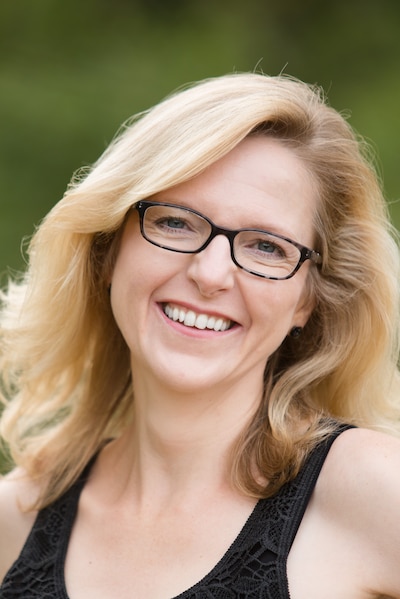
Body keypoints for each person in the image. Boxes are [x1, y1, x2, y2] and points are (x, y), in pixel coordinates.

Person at [0, 72, 400, 599]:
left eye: (266, 247)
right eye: (175, 223)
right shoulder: (14, 520)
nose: (210, 275)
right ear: (107, 252)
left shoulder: (372, 491)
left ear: (307, 299)